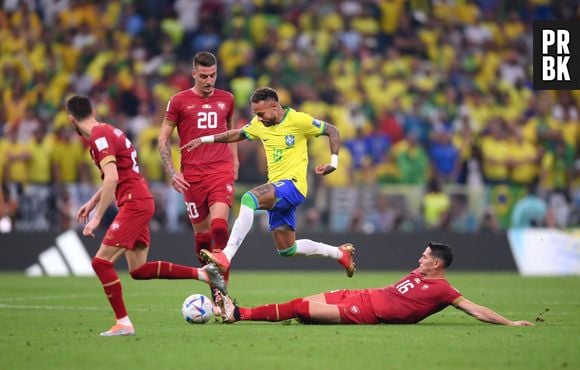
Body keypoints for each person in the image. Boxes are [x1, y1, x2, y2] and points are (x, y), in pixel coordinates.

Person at [66, 95, 227, 337]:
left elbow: (113, 178)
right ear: (93, 111)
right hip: (139, 200)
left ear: (71, 120)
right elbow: (121, 173)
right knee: (138, 270)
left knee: (101, 263)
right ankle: (203, 273)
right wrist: (92, 201)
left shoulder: (99, 137)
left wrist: (97, 218)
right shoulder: (109, 131)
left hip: (134, 203)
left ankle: (123, 322)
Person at [181, 87, 355, 277]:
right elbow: (238, 133)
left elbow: (333, 130)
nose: (259, 118)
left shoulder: (298, 120)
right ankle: (340, 253)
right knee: (287, 248)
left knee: (249, 199)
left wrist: (334, 162)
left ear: (274, 105)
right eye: (255, 114)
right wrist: (204, 139)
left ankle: (226, 256)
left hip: (293, 185)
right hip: (278, 189)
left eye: (261, 113)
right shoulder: (259, 123)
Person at [217, 242, 534, 327]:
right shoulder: (421, 273)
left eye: (425, 257)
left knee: (300, 308)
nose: (420, 259)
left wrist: (509, 323)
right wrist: (346, 255)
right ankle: (240, 313)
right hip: (358, 295)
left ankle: (238, 314)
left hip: (364, 312)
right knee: (300, 305)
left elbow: (475, 310)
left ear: (437, 264)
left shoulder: (444, 290)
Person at [158, 51, 238, 292]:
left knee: (220, 228)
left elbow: (232, 131)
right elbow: (163, 139)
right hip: (192, 176)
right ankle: (210, 282)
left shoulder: (227, 99)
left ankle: (222, 290)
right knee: (202, 238)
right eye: (203, 76)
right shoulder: (179, 101)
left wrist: (234, 160)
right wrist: (172, 172)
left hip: (220, 171)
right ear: (194, 74)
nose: (209, 81)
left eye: (213, 75)